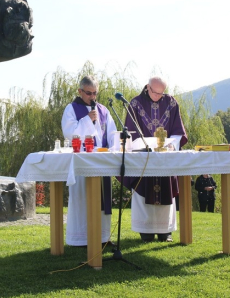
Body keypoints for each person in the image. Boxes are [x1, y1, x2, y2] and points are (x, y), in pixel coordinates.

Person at [121, 76, 187, 242]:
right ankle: (146, 230)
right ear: (147, 87)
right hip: (143, 158)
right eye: (155, 92)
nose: (158, 96)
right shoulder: (135, 104)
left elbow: (178, 130)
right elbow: (130, 132)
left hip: (165, 158)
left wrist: (173, 144)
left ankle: (165, 231)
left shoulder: (171, 103)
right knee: (143, 191)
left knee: (166, 192)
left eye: (161, 93)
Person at [61, 75, 117, 246]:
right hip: (82, 162)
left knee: (101, 199)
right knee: (82, 200)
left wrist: (114, 149)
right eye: (88, 93)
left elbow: (112, 133)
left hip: (101, 161)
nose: (92, 97)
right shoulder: (71, 109)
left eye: (95, 93)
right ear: (80, 91)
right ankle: (81, 239)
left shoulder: (103, 110)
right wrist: (87, 120)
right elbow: (69, 133)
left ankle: (102, 238)